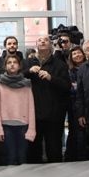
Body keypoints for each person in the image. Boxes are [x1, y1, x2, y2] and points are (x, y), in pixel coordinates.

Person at [24, 35, 69, 163]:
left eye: (46, 40)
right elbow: (17, 78)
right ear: (36, 45)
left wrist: (51, 78)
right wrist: (29, 71)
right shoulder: (27, 62)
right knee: (33, 150)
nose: (43, 41)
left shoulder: (60, 64)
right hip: (33, 114)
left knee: (54, 149)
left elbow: (66, 86)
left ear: (51, 45)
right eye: (39, 40)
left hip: (54, 115)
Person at [0, 54, 35, 165]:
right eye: (9, 62)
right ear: (5, 66)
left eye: (15, 62)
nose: (12, 65)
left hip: (23, 126)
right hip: (6, 126)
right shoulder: (0, 84)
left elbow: (31, 108)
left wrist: (32, 129)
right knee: (10, 158)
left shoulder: (26, 84)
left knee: (22, 158)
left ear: (19, 66)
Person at [64, 45, 89, 161]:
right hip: (74, 108)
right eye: (74, 54)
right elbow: (71, 90)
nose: (77, 55)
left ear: (83, 54)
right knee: (76, 134)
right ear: (71, 57)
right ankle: (77, 158)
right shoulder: (69, 72)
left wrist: (78, 87)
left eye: (79, 53)